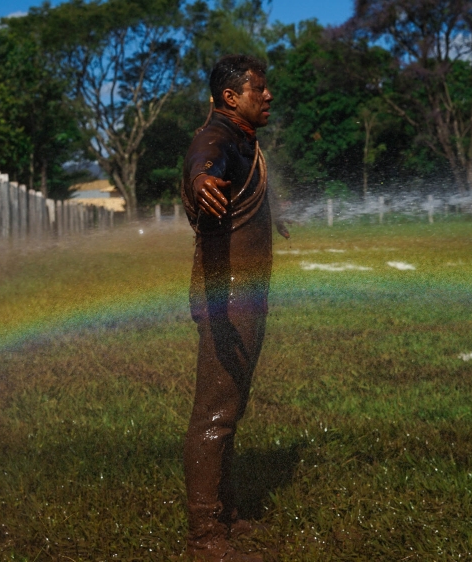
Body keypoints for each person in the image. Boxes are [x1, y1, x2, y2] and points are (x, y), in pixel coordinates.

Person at [180, 54, 289, 562]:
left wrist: (274, 212)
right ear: (232, 97)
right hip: (225, 301)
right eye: (259, 89)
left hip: (246, 300)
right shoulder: (218, 137)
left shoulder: (244, 141)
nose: (267, 96)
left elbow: (243, 177)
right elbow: (204, 158)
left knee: (231, 408)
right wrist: (202, 181)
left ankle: (224, 514)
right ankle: (206, 537)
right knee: (215, 414)